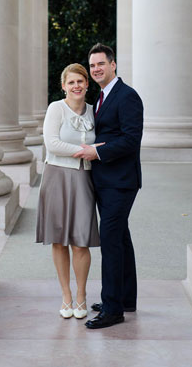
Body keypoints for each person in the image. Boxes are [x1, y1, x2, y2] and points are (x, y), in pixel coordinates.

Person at [73, 42, 143, 330]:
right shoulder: (102, 97)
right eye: (92, 65)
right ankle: (125, 299)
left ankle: (113, 309)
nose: (96, 69)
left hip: (121, 182)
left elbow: (130, 139)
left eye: (101, 63)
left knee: (111, 242)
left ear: (113, 65)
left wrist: (96, 152)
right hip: (106, 181)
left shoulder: (127, 97)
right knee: (121, 239)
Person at [36, 63, 100, 320]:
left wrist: (91, 153)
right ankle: (66, 296)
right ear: (63, 86)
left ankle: (82, 297)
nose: (76, 86)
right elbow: (51, 142)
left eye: (80, 81)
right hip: (57, 177)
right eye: (71, 82)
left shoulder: (94, 112)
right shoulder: (56, 108)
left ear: (86, 84)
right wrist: (84, 152)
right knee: (60, 240)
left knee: (81, 241)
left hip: (84, 178)